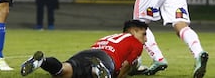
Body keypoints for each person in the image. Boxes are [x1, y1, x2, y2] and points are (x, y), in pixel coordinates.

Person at [20, 20, 148, 78]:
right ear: (133, 31)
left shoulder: (108, 37)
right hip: (106, 58)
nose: (146, 39)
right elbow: (126, 65)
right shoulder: (135, 42)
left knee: (63, 71)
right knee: (103, 71)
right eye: (144, 34)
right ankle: (97, 70)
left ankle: (43, 61)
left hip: (86, 53)